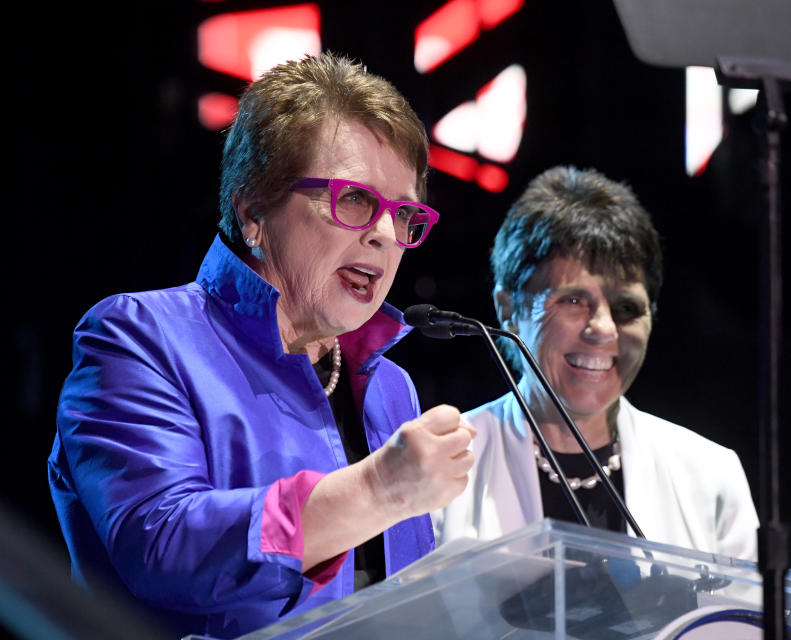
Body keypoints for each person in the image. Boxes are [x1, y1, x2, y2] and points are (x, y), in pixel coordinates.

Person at [48, 53, 475, 639]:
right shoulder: (138, 338)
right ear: (254, 211)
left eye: (403, 214)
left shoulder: (389, 388)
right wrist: (376, 489)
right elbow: (163, 547)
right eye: (354, 200)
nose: (383, 233)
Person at [434, 166, 758, 560]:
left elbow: (741, 621)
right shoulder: (439, 473)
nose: (604, 329)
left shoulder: (711, 475)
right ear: (508, 308)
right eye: (573, 300)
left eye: (626, 307)